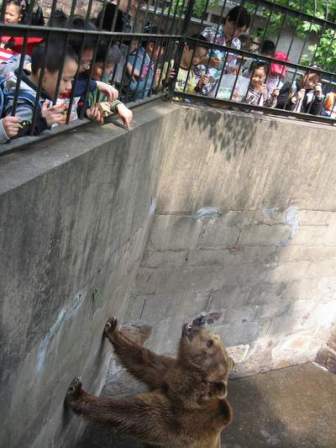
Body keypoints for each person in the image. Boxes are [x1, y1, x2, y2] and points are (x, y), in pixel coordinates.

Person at [0, 42, 78, 143]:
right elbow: (17, 136)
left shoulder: (18, 70)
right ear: (43, 75)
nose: (69, 86)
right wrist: (43, 122)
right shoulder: (24, 103)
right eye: (65, 80)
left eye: (71, 80)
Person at [200, 5, 251, 96]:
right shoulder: (209, 33)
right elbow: (192, 58)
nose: (235, 32)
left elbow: (229, 67)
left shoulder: (236, 43)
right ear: (227, 19)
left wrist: (234, 70)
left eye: (240, 31)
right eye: (233, 27)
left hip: (219, 91)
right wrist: (206, 60)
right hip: (200, 83)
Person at [86, 45, 133, 127]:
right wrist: (87, 111)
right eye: (102, 67)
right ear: (89, 62)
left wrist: (119, 105)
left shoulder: (104, 79)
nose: (106, 72)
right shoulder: (78, 83)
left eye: (110, 68)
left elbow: (108, 101)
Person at [125, 29, 165, 100]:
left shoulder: (147, 60)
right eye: (162, 49)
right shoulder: (137, 58)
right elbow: (132, 86)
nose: (163, 52)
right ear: (151, 46)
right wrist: (153, 81)